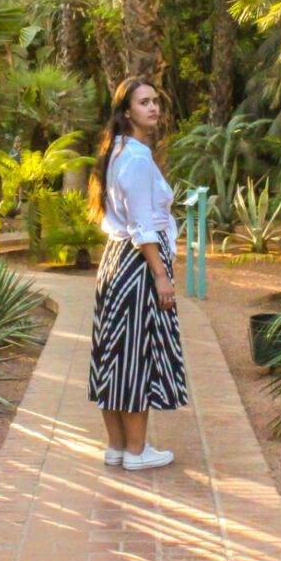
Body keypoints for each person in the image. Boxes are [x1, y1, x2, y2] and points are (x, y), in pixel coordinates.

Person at [87, 77, 188, 471]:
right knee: (135, 355)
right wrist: (161, 276)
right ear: (126, 111)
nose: (154, 108)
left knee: (113, 353)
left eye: (155, 102)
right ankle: (136, 451)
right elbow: (144, 227)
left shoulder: (117, 151)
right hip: (138, 264)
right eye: (144, 103)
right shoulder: (138, 159)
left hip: (115, 260)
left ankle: (117, 446)